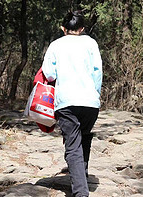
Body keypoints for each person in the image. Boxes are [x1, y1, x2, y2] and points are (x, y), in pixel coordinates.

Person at [42, 10, 102, 197]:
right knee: (83, 139)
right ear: (82, 28)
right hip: (90, 101)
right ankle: (81, 178)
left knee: (73, 146)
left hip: (66, 102)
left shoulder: (56, 45)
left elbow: (49, 73)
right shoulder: (90, 43)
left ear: (63, 28)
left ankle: (80, 192)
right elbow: (97, 72)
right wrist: (95, 94)